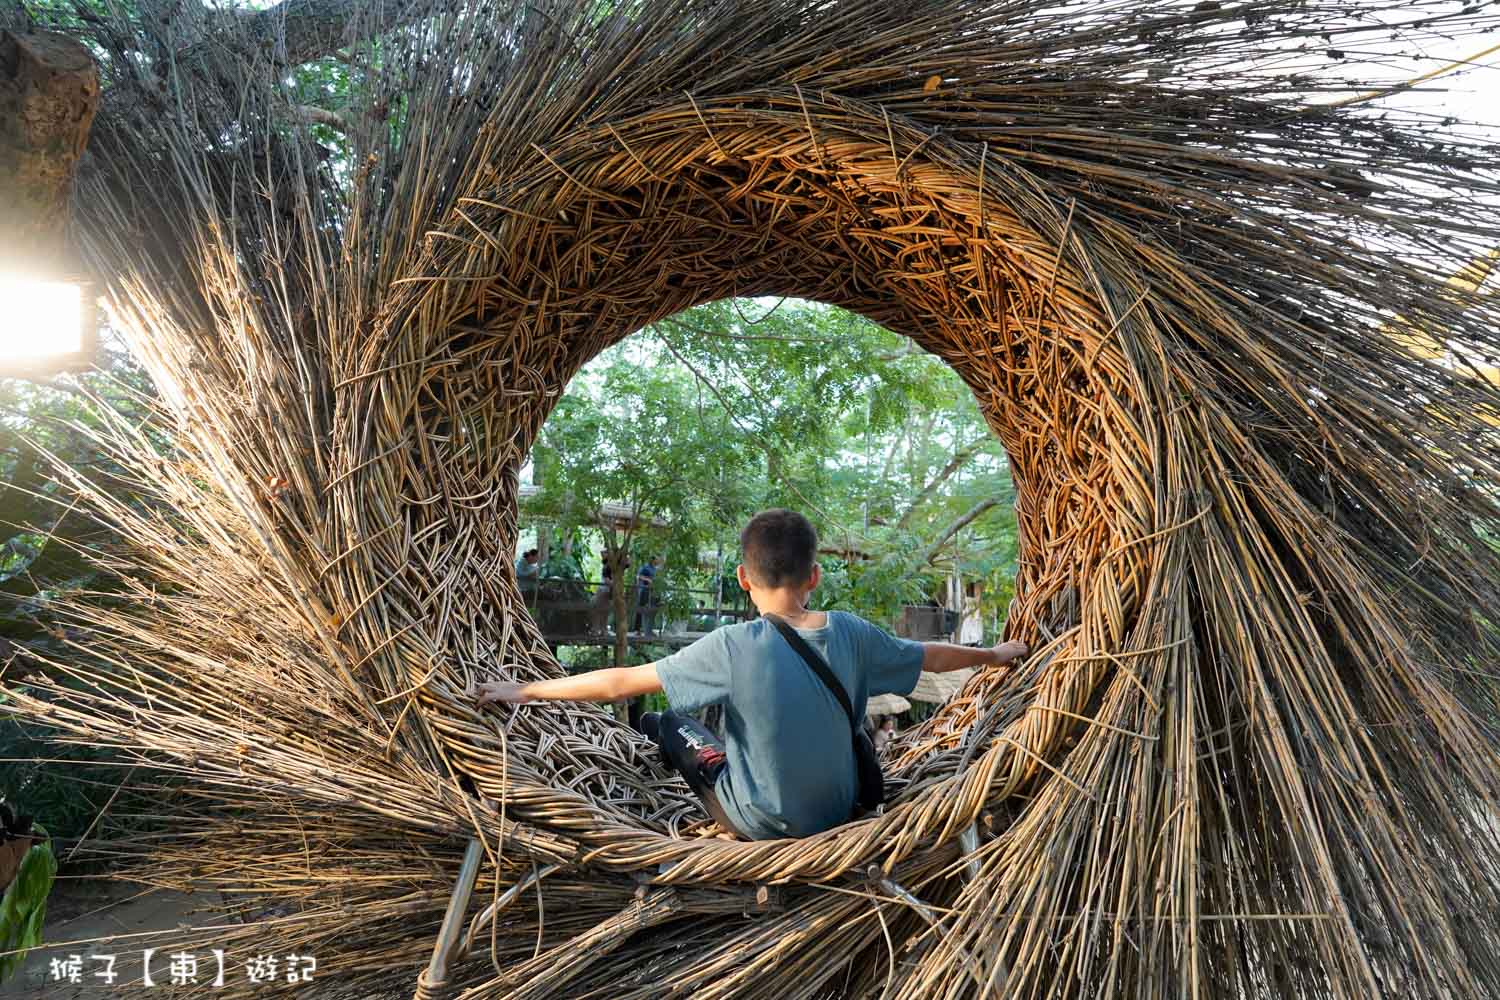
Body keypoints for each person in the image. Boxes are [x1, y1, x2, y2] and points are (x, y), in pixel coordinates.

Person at [471, 509, 1026, 840]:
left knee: (671, 723)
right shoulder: (852, 632)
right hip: (842, 808)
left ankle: (668, 744)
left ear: (742, 576)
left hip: (757, 821)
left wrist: (521, 690)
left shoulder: (732, 646)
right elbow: (931, 653)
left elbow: (618, 683)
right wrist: (995, 655)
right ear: (815, 576)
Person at [634, 556, 660, 636]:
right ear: (653, 559)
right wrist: (647, 580)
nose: (659, 560)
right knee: (641, 609)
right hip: (643, 590)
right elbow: (638, 576)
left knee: (651, 610)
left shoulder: (655, 569)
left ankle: (648, 630)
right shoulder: (645, 567)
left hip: (652, 592)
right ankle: (637, 630)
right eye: (657, 558)